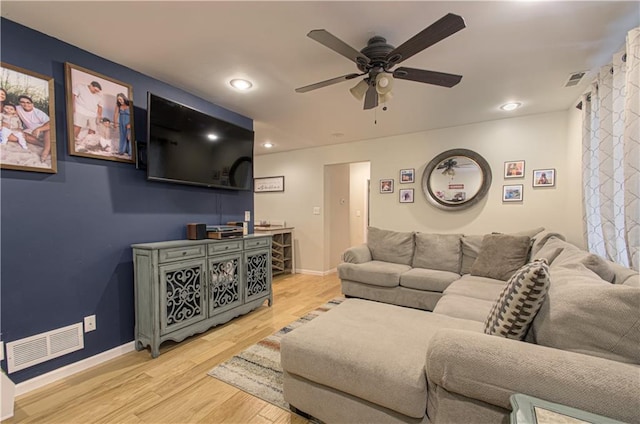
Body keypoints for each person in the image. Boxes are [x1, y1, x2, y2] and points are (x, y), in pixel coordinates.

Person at [16, 95, 52, 161]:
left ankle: (45, 151)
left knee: (49, 130)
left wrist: (39, 129)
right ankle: (43, 145)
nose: (25, 104)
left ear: (32, 104)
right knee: (22, 134)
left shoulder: (38, 113)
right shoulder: (18, 108)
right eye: (22, 102)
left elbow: (51, 123)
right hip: (30, 130)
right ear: (19, 103)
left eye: (28, 102)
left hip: (42, 129)